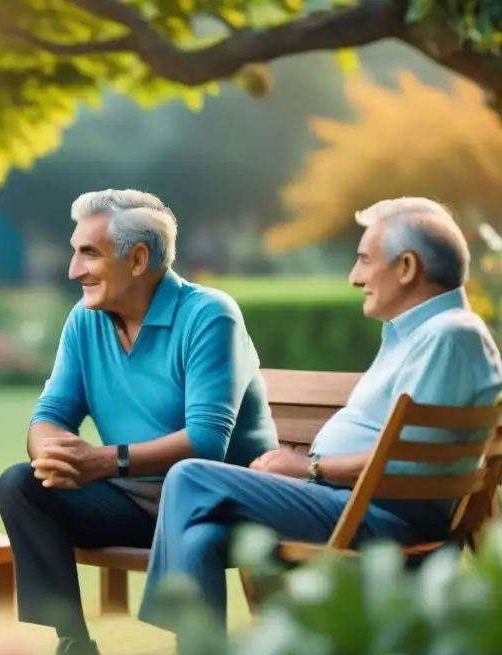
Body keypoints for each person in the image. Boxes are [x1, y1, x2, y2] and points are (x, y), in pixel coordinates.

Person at [140, 197, 502, 630]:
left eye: (365, 260)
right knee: (201, 537)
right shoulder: (423, 335)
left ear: (407, 267)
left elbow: (409, 467)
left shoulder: (449, 337)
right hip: (353, 504)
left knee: (190, 476)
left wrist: (310, 468)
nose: (355, 277)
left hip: (378, 517)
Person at [0, 189, 278, 655]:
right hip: (136, 505)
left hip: (220, 505)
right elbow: (51, 413)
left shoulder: (209, 314)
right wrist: (53, 455)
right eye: (74, 251)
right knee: (21, 484)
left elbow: (206, 441)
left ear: (139, 258)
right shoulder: (84, 321)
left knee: (195, 512)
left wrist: (101, 461)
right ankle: (73, 647)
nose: (73, 269)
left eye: (89, 254)